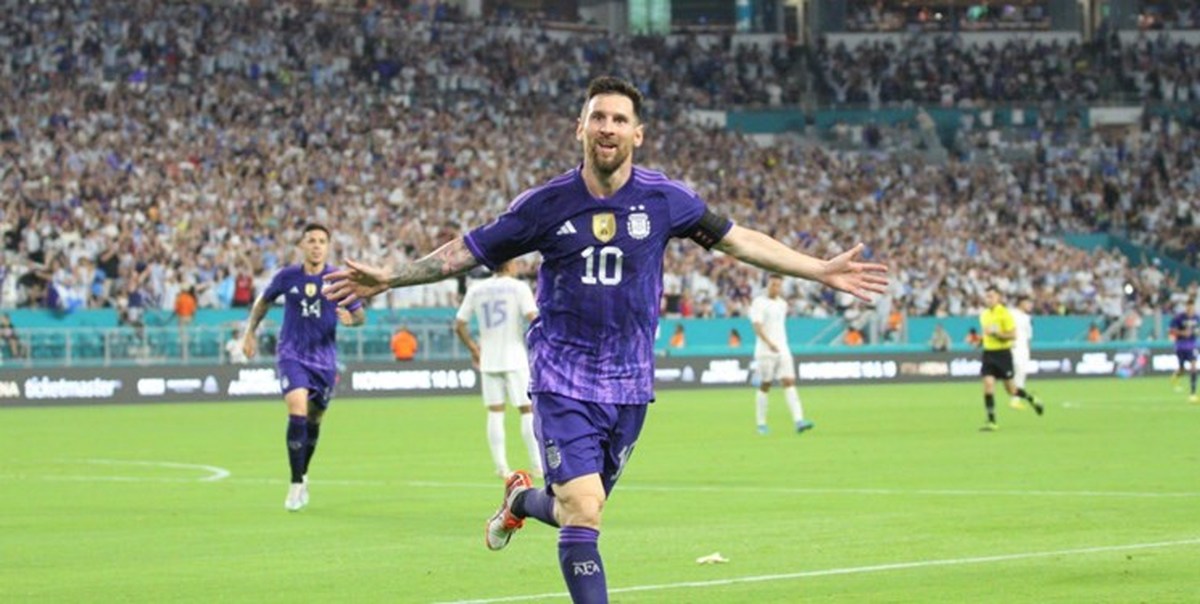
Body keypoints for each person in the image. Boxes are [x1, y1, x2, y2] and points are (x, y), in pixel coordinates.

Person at [322, 76, 888, 602]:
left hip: (630, 383)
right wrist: (391, 278)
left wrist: (819, 269)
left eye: (619, 119)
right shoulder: (545, 205)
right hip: (562, 376)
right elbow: (466, 252)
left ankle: (520, 500)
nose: (608, 127)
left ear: (637, 134)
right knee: (585, 509)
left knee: (576, 509)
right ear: (581, 128)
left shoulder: (664, 199)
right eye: (598, 117)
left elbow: (739, 240)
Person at [241, 223, 366, 512]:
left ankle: (303, 472)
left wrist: (352, 320)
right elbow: (263, 302)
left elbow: (360, 315)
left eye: (322, 241)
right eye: (311, 240)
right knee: (297, 410)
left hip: (324, 361)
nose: (317, 245)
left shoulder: (337, 279)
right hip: (291, 354)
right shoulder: (287, 277)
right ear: (302, 245)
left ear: (328, 246)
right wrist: (249, 332)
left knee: (315, 419)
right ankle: (295, 483)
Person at [454, 260, 544, 479]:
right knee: (527, 410)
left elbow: (459, 324)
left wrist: (474, 349)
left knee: (495, 412)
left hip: (489, 358)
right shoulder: (519, 288)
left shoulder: (477, 288)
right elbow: (533, 318)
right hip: (515, 357)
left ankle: (502, 467)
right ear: (510, 265)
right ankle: (537, 465)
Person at [750, 273, 814, 436]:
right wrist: (769, 343)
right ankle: (761, 424)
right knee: (766, 384)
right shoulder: (759, 303)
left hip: (782, 348)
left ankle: (799, 421)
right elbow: (757, 326)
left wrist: (778, 344)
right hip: (765, 350)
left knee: (789, 381)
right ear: (767, 285)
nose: (775, 288)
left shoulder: (782, 304)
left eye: (778, 285)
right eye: (773, 284)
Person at [978, 286, 1043, 431]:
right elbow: (986, 334)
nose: (989, 299)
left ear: (998, 298)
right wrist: (980, 341)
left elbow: (1013, 335)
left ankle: (1031, 398)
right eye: (987, 296)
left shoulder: (1005, 314)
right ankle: (992, 421)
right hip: (988, 353)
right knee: (988, 385)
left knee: (1011, 390)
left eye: (991, 296)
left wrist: (997, 334)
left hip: (1002, 354)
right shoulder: (984, 315)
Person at [1168, 298, 1199, 402]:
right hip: (1180, 346)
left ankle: (1193, 393)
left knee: (1193, 366)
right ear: (1186, 307)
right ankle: (1175, 376)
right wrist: (1182, 333)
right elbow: (1171, 330)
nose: (1190, 309)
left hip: (1192, 345)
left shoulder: (1197, 317)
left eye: (1192, 307)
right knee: (1182, 369)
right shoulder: (1179, 318)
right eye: (1189, 307)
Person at [1008, 296, 1035, 410]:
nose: (1030, 305)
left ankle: (1016, 400)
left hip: (1023, 349)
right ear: (1021, 303)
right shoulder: (1011, 313)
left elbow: (1028, 337)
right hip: (1013, 347)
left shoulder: (1028, 318)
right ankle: (1015, 398)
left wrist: (1028, 350)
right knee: (1016, 372)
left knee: (1021, 374)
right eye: (1028, 303)